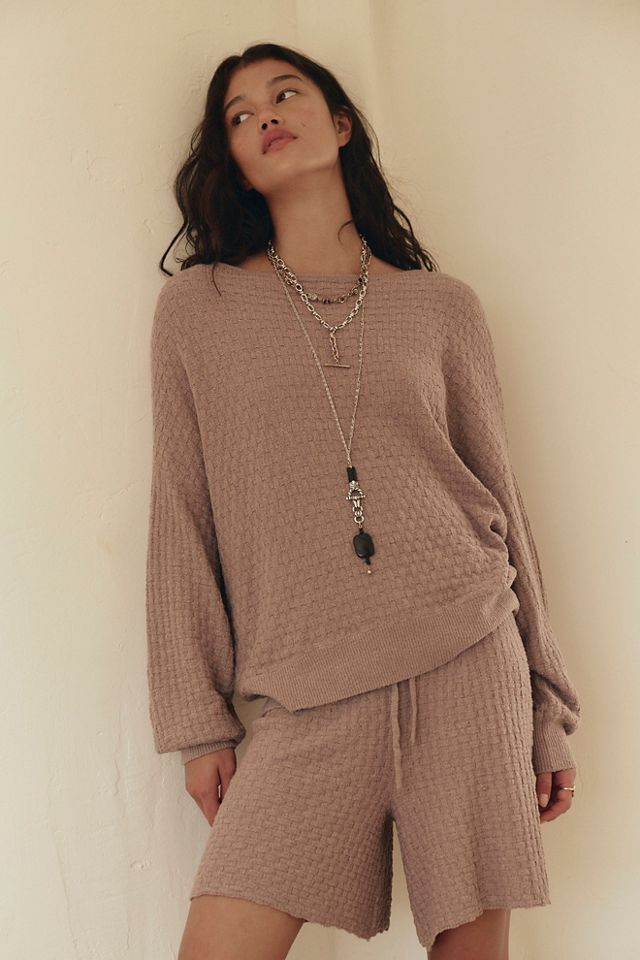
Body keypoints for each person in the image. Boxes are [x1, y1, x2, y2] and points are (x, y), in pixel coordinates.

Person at [145, 42, 581, 960]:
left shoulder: (443, 308)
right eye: (240, 114)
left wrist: (550, 708)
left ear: (340, 124)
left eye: (286, 93)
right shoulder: (199, 310)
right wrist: (195, 724)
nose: (265, 114)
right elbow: (182, 514)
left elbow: (505, 507)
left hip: (467, 660)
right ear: (235, 163)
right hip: (306, 691)